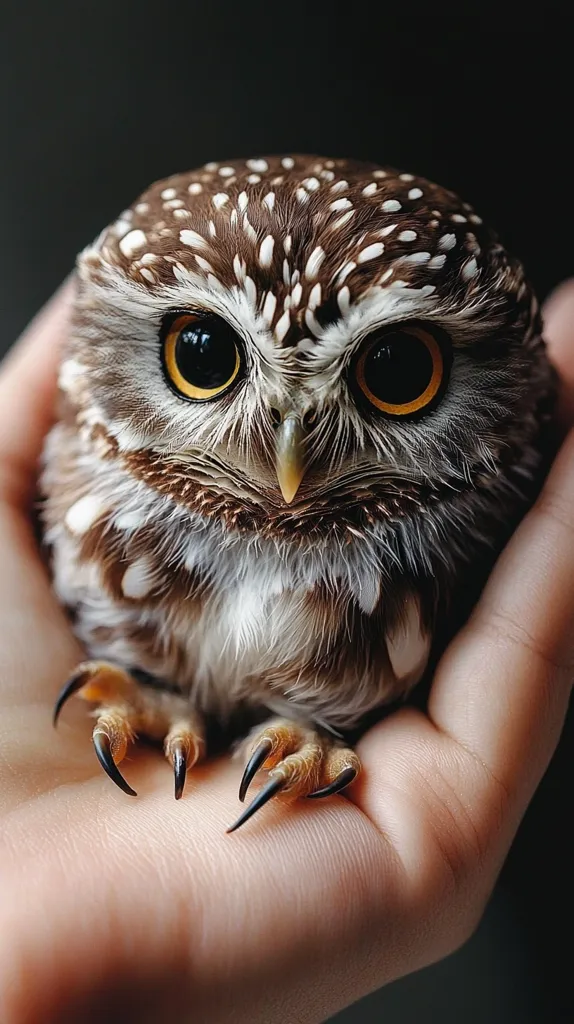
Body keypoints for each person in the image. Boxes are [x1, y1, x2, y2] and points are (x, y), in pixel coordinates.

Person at [0, 279, 572, 1024]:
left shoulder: (480, 505)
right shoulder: (97, 469)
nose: (289, 449)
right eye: (203, 359)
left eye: (396, 373)